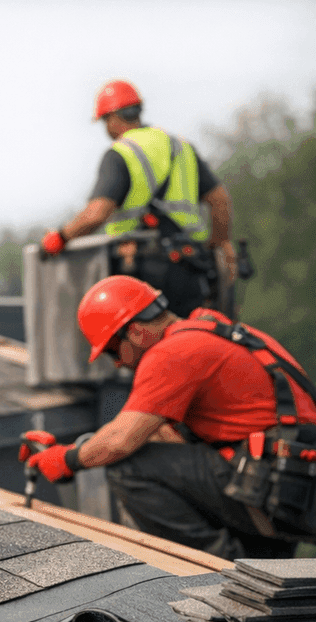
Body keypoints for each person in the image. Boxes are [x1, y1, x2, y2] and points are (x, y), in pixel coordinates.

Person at [20, 275, 316, 561]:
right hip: (293, 478)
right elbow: (150, 434)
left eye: (112, 350)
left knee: (128, 467)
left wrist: (67, 460)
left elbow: (122, 441)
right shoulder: (209, 330)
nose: (119, 363)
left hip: (277, 483)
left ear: (135, 331)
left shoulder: (171, 354)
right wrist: (78, 447)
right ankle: (261, 560)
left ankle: (218, 568)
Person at [40, 80, 238, 318]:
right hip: (189, 267)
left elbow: (98, 212)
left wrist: (61, 238)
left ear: (112, 118)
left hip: (139, 271)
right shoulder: (181, 148)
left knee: (143, 347)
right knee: (188, 339)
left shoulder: (121, 153)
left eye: (104, 121)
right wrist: (218, 243)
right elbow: (219, 200)